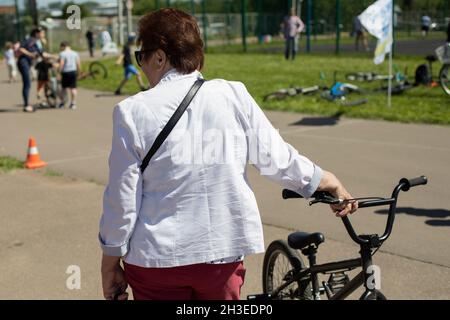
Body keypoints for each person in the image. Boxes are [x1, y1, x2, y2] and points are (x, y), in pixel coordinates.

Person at [99, 8, 357, 301]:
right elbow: (277, 159)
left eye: (140, 56)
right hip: (219, 256)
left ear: (159, 57)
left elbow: (121, 199)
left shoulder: (131, 112)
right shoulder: (233, 95)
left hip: (156, 260)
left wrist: (110, 262)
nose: (141, 66)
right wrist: (326, 180)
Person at [17, 28, 44, 112]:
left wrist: (54, 57)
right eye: (42, 33)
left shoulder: (37, 42)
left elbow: (41, 54)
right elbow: (21, 48)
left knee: (28, 83)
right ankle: (26, 105)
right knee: (27, 83)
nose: (43, 35)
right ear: (37, 33)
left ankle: (27, 104)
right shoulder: (30, 40)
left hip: (28, 64)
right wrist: (30, 54)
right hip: (23, 62)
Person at [58, 41, 80, 110]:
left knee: (64, 88)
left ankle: (62, 103)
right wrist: (79, 72)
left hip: (65, 72)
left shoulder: (62, 54)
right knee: (73, 88)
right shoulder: (75, 53)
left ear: (63, 46)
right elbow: (78, 63)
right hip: (73, 71)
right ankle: (73, 103)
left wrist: (59, 72)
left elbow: (61, 63)